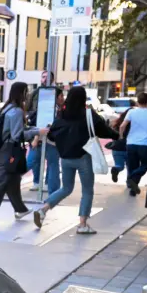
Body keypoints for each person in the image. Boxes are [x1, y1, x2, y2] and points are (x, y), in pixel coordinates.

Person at [34, 86, 118, 234]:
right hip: (83, 157)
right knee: (87, 190)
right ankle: (82, 224)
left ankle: (43, 210)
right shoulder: (87, 114)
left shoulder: (62, 114)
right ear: (83, 98)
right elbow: (103, 130)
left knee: (66, 188)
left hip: (65, 158)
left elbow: (53, 134)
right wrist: (117, 136)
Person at [0, 82, 38, 225]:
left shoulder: (7, 108)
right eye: (26, 91)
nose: (28, 94)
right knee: (0, 184)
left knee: (13, 180)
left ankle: (20, 209)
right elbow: (17, 135)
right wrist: (37, 132)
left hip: (0, 150)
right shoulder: (16, 111)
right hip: (8, 152)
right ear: (22, 93)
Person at [27, 87, 62, 194]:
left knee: (32, 162)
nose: (63, 98)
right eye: (61, 96)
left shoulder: (52, 108)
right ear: (56, 97)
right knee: (51, 165)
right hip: (47, 140)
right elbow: (45, 124)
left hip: (47, 140)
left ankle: (8, 181)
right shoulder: (52, 108)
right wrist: (36, 138)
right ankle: (53, 192)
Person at [121, 93, 147, 195]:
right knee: (145, 164)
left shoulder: (131, 112)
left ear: (137, 101)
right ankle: (133, 179)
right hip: (145, 144)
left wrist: (121, 136)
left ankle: (132, 188)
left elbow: (122, 126)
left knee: (133, 165)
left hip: (131, 143)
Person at [108, 107, 131, 183]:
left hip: (117, 147)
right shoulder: (134, 125)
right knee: (130, 167)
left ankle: (116, 169)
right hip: (129, 148)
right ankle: (129, 183)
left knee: (119, 165)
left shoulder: (117, 123)